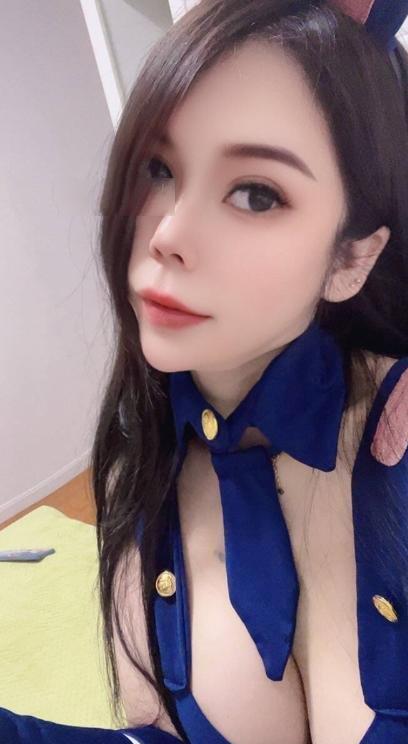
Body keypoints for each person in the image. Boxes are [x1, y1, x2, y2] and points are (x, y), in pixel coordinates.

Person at [2, 0, 408, 742]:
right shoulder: (141, 464)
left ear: (353, 258)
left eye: (256, 194)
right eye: (158, 168)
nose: (169, 233)